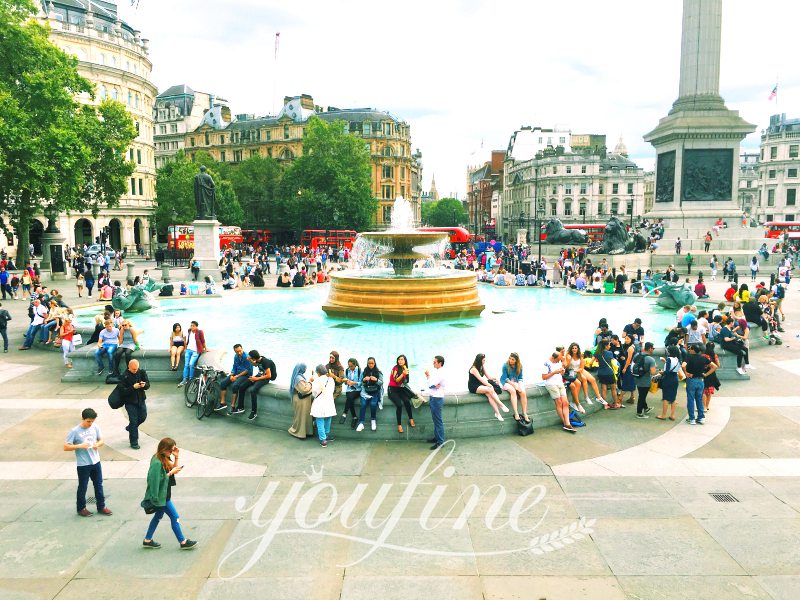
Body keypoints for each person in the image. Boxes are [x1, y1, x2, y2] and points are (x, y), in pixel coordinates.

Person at [142, 437, 197, 550]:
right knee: (175, 516)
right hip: (162, 497)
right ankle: (183, 541)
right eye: (171, 450)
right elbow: (155, 480)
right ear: (164, 449)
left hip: (164, 495)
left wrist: (176, 456)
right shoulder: (157, 462)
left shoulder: (163, 458)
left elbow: (174, 468)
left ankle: (147, 540)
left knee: (158, 516)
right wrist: (170, 473)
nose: (171, 452)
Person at [64, 408, 112, 517]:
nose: (90, 423)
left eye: (92, 421)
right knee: (83, 486)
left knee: (98, 485)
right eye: (88, 421)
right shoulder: (75, 431)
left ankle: (101, 506)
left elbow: (101, 440)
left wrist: (97, 445)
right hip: (83, 464)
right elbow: (66, 446)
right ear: (82, 419)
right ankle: (81, 508)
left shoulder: (95, 427)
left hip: (96, 461)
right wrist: (80, 446)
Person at [542, 349, 576, 433]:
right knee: (559, 402)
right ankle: (565, 423)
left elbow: (561, 372)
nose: (559, 361)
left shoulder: (558, 361)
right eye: (558, 360)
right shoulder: (546, 364)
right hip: (551, 384)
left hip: (560, 383)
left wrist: (562, 371)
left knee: (565, 402)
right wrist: (554, 372)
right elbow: (544, 377)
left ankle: (567, 423)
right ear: (554, 358)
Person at [682, 343, 717, 425]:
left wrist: (686, 373)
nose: (689, 350)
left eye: (690, 349)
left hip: (691, 380)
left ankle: (692, 418)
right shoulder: (703, 358)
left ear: (693, 350)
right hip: (701, 381)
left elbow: (683, 365)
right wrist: (706, 374)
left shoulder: (689, 357)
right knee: (699, 399)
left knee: (690, 399)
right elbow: (714, 366)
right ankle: (701, 417)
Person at [236, 350, 275, 420]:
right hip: (259, 376)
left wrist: (256, 379)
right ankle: (240, 407)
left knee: (253, 390)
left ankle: (254, 412)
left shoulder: (265, 362)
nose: (249, 357)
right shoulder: (259, 359)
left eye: (250, 357)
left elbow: (269, 375)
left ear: (254, 357)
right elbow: (255, 365)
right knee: (242, 387)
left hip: (265, 378)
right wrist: (250, 360)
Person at [468, 353, 509, 421]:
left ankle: (497, 414)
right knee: (490, 389)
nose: (484, 361)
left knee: (489, 394)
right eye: (483, 360)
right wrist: (490, 385)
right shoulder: (473, 369)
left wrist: (495, 378)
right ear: (479, 360)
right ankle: (501, 404)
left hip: (480, 384)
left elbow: (488, 377)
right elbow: (481, 379)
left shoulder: (481, 366)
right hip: (473, 386)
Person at [120, 358, 150, 449]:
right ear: (129, 367)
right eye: (133, 369)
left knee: (143, 417)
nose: (135, 371)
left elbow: (148, 385)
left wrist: (144, 385)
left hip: (141, 400)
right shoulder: (124, 376)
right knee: (133, 421)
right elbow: (122, 391)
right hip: (130, 402)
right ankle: (134, 442)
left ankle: (131, 427)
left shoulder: (141, 372)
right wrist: (133, 387)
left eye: (136, 369)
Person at [215, 344, 253, 413]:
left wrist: (236, 376)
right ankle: (222, 403)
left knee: (235, 386)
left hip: (245, 375)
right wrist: (232, 375)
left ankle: (232, 406)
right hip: (237, 374)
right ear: (234, 351)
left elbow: (247, 370)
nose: (239, 353)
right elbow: (234, 367)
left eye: (240, 351)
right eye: (237, 352)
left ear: (242, 349)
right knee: (223, 383)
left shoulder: (247, 357)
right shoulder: (236, 356)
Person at [387, 354, 415, 433]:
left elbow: (406, 381)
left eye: (402, 359)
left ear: (405, 361)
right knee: (399, 405)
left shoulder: (405, 369)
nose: (400, 361)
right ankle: (399, 425)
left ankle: (411, 418)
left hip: (401, 389)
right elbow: (396, 380)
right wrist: (403, 374)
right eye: (399, 359)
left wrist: (406, 373)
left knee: (406, 401)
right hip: (392, 389)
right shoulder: (395, 368)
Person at [310, 364, 336, 447]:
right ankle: (327, 435)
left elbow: (314, 392)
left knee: (319, 419)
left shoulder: (317, 380)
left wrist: (311, 380)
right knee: (328, 417)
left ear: (318, 372)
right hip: (329, 401)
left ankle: (323, 439)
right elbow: (332, 390)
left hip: (319, 402)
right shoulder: (330, 379)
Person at [655, 345, 684, 421]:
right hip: (675, 379)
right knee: (673, 398)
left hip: (668, 379)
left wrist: (661, 372)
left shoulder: (669, 359)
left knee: (665, 398)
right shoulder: (678, 359)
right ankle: (672, 415)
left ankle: (663, 415)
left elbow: (667, 371)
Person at [355, 357, 383, 432]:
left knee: (373, 404)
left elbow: (381, 382)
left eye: (372, 363)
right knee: (363, 404)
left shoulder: (378, 371)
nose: (370, 365)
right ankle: (361, 423)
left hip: (375, 391)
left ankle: (373, 420)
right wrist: (364, 380)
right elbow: (361, 383)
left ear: (374, 363)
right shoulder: (364, 371)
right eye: (369, 363)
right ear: (367, 364)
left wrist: (376, 379)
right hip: (365, 391)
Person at [425, 355, 446, 450]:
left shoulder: (441, 373)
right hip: (434, 397)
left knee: (438, 420)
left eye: (434, 362)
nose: (433, 363)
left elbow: (430, 385)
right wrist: (433, 384)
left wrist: (428, 377)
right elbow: (432, 385)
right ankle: (437, 438)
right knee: (435, 419)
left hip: (437, 398)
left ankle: (440, 442)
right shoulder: (438, 372)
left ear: (439, 363)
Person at [288, 363, 314, 439]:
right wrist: (310, 382)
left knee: (303, 416)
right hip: (301, 401)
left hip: (302, 400)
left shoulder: (298, 377)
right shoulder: (298, 378)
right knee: (301, 417)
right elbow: (304, 389)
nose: (305, 370)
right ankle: (298, 432)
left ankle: (305, 432)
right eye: (305, 368)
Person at [500, 352, 529, 423]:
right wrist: (514, 385)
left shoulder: (519, 366)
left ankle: (524, 413)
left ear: (516, 360)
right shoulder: (505, 366)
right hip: (506, 382)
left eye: (512, 359)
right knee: (513, 391)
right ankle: (516, 413)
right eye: (510, 358)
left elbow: (520, 378)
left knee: (523, 392)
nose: (510, 360)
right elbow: (505, 378)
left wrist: (519, 385)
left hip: (516, 381)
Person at [633, 342, 657, 418]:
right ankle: (639, 413)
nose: (653, 350)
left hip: (637, 378)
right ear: (650, 348)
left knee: (641, 394)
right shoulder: (651, 359)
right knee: (642, 397)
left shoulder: (637, 355)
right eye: (653, 348)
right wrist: (655, 368)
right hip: (645, 380)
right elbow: (653, 372)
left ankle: (646, 408)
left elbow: (634, 363)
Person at [178, 321, 206, 387]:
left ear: (196, 326)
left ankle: (191, 380)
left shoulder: (200, 332)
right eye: (191, 325)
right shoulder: (189, 331)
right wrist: (186, 347)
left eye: (193, 326)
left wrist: (205, 348)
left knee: (191, 364)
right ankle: (184, 380)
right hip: (188, 350)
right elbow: (186, 340)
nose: (192, 327)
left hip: (195, 351)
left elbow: (203, 341)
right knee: (186, 365)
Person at [594, 339, 620, 408]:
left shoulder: (597, 353)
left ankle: (605, 405)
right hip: (609, 372)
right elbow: (613, 362)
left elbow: (591, 362)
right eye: (608, 345)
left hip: (601, 373)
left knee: (603, 389)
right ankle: (616, 404)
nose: (609, 346)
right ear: (605, 346)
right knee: (613, 389)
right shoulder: (610, 353)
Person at [340, 358, 362, 429]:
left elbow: (362, 383)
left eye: (351, 366)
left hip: (357, 389)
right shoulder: (347, 371)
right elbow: (345, 381)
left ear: (355, 365)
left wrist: (354, 383)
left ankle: (344, 413)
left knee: (350, 398)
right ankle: (354, 417)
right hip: (349, 389)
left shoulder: (359, 371)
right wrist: (345, 381)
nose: (350, 368)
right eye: (349, 366)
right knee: (350, 399)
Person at [702, 342, 722, 413]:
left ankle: (703, 407)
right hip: (712, 374)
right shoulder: (714, 355)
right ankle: (707, 406)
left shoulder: (703, 355)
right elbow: (718, 365)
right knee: (709, 391)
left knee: (703, 391)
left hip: (704, 373)